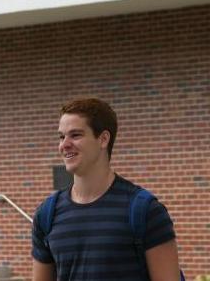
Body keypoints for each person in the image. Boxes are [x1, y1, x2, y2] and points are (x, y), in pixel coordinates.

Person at [32, 97, 181, 281]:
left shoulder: (146, 211)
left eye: (75, 135)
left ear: (103, 139)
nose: (64, 145)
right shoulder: (47, 214)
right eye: (61, 137)